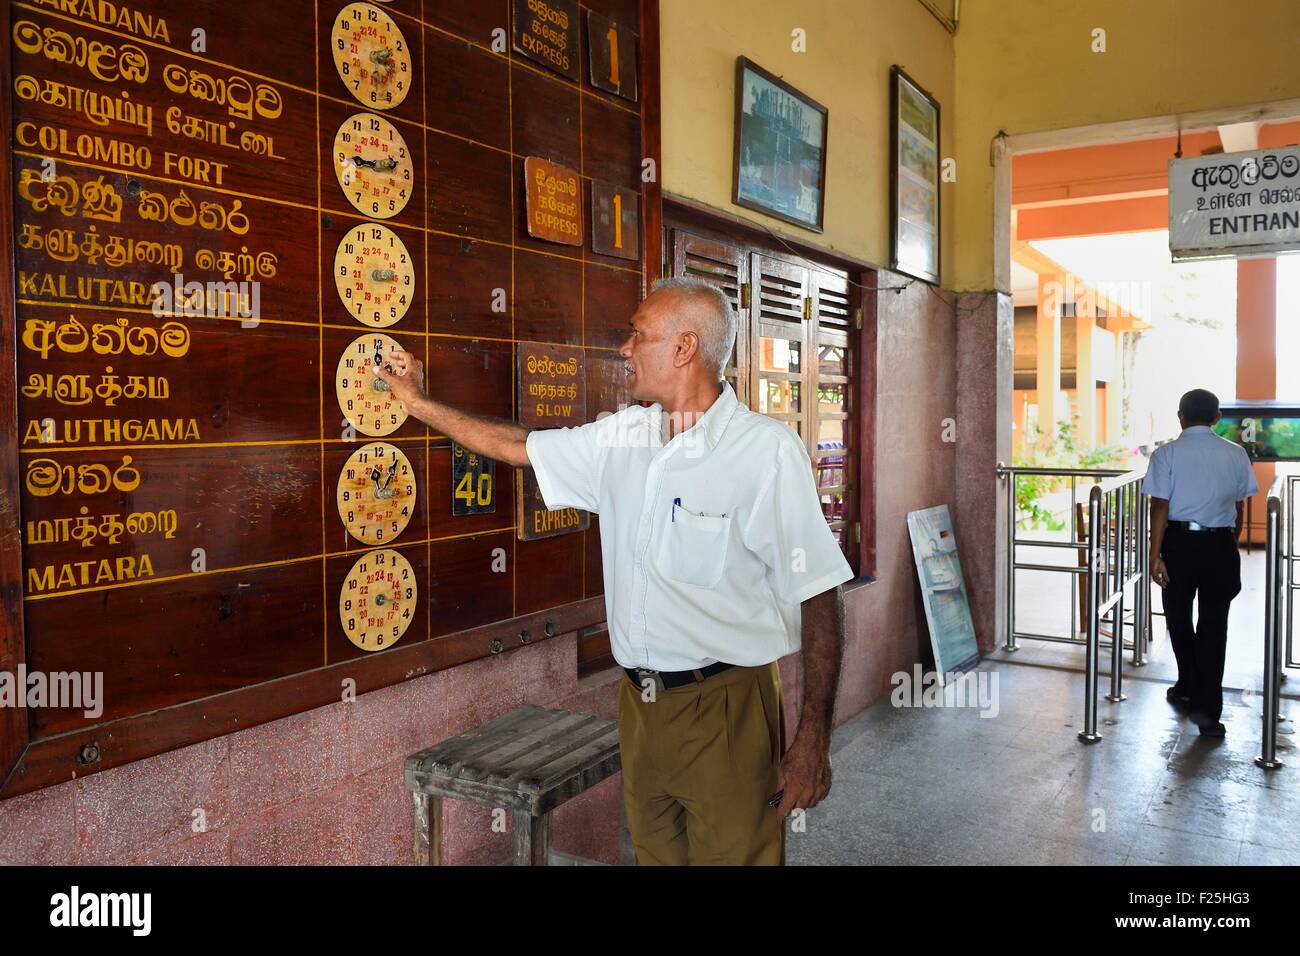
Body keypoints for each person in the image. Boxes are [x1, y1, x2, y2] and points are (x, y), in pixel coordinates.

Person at [375, 276, 854, 865]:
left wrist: (813, 740)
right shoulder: (622, 437)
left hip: (727, 708)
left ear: (684, 348)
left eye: (638, 334)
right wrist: (419, 404)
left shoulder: (765, 453)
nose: (624, 348)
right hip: (641, 704)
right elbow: (519, 446)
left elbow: (821, 593)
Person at [1143, 388, 1258, 737]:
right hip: (1219, 544)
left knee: (1177, 617)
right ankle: (1208, 712)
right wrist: (1228, 542)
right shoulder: (1237, 454)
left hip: (1179, 544)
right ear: (1217, 418)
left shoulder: (1167, 454)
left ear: (1180, 416)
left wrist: (1155, 554)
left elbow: (1160, 507)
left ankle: (1188, 684)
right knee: (1214, 626)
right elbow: (1239, 507)